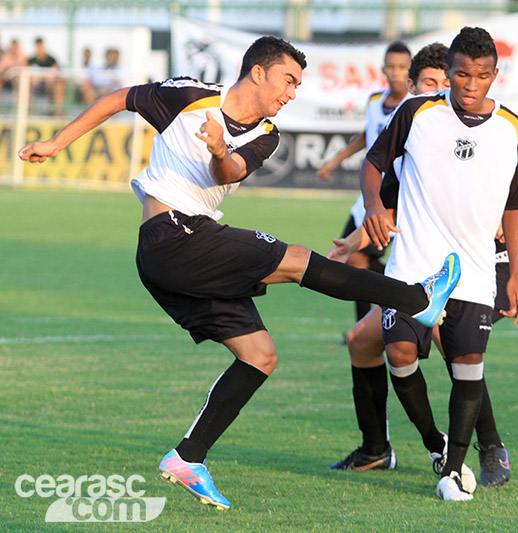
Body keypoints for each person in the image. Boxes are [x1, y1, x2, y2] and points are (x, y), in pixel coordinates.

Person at [18, 36, 461, 511]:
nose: (292, 93)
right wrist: (55, 142)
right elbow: (121, 98)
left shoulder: (265, 133)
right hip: (172, 236)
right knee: (295, 260)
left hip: (180, 254)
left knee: (260, 354)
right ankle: (416, 300)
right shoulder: (191, 95)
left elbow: (228, 171)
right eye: (288, 80)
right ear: (258, 72)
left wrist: (215, 148)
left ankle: (189, 457)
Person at [356, 26, 518, 502]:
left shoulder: (511, 128)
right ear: (450, 74)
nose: (469, 84)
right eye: (461, 74)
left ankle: (453, 470)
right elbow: (374, 164)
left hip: (475, 270)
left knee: (468, 365)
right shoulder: (417, 112)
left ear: (494, 76)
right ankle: (435, 445)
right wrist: (374, 205)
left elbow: (517, 205)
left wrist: (515, 273)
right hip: (412, 265)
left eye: (480, 76)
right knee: (398, 354)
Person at [327, 42, 451, 471]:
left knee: (457, 349)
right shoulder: (404, 129)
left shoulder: (462, 136)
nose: (436, 92)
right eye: (428, 84)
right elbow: (388, 194)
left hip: (449, 269)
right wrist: (355, 240)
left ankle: (485, 447)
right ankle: (377, 449)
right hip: (407, 264)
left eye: (444, 84)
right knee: (362, 341)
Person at [316, 41, 412, 322]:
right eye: (391, 66)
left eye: (402, 67)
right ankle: (395, 296)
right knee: (353, 258)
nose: (395, 73)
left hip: (394, 197)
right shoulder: (374, 101)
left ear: (411, 72)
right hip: (368, 194)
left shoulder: (415, 106)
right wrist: (335, 160)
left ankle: (403, 295)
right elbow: (366, 136)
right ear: (383, 68)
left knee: (357, 260)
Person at [27, 37, 64, 113]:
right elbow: (25, 69)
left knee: (58, 86)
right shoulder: (32, 59)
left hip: (49, 84)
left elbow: (57, 70)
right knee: (26, 86)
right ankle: (30, 111)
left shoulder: (51, 59)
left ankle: (58, 113)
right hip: (35, 85)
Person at [0, 39, 28, 104]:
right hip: (7, 77)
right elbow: (2, 68)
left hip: (19, 77)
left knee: (19, 80)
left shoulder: (22, 55)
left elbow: (25, 67)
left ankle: (20, 103)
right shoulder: (7, 56)